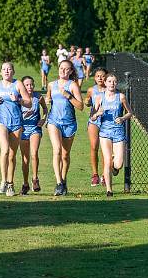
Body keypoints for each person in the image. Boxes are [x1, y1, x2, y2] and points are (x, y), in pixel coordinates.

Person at [0, 62, 32, 197]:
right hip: (1, 121)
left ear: (13, 72)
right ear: (0, 72)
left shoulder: (18, 84)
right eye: (4, 69)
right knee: (5, 150)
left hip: (16, 122)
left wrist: (18, 99)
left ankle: (10, 184)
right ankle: (3, 181)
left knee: (12, 155)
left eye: (9, 69)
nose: (7, 71)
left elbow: (28, 102)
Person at [46, 59, 84, 196]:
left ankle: (63, 179)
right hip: (54, 121)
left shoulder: (72, 85)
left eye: (66, 69)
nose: (63, 70)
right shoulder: (51, 85)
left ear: (71, 71)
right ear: (58, 69)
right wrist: (47, 100)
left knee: (65, 154)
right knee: (56, 150)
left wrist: (69, 96)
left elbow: (80, 106)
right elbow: (48, 99)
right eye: (61, 68)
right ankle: (59, 183)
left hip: (69, 123)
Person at [90, 72, 133, 196]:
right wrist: (98, 114)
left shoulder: (121, 97)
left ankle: (114, 168)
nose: (112, 84)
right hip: (105, 132)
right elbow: (92, 117)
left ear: (116, 83)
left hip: (118, 132)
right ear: (105, 83)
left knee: (118, 163)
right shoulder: (99, 97)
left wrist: (123, 118)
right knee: (107, 160)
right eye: (109, 81)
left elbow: (130, 112)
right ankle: (109, 190)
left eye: (114, 81)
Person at [19, 76, 48, 195]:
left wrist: (43, 119)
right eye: (27, 85)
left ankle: (35, 179)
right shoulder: (19, 98)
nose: (29, 87)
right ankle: (25, 184)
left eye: (31, 84)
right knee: (25, 158)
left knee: (34, 153)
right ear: (23, 87)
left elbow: (46, 110)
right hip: (22, 129)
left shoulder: (38, 97)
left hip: (35, 128)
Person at [84, 67, 107, 187]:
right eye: (98, 76)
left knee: (105, 150)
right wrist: (87, 101)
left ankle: (105, 175)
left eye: (102, 76)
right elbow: (87, 101)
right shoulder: (91, 90)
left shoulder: (110, 89)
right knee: (94, 147)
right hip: (94, 120)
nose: (100, 78)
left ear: (106, 77)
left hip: (106, 122)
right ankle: (95, 175)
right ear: (94, 78)